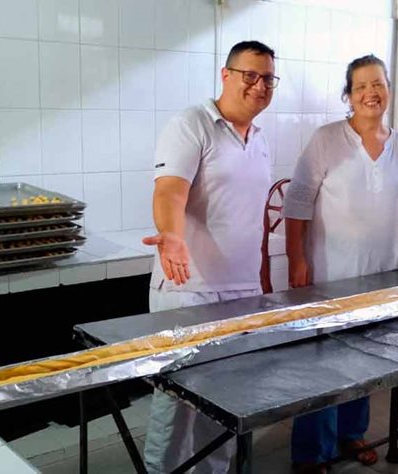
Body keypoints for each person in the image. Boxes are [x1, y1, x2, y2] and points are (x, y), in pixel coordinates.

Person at [282, 53, 398, 474]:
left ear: (389, 89)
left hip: (384, 272)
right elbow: (297, 203)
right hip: (331, 273)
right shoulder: (327, 139)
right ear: (348, 95)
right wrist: (298, 261)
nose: (370, 92)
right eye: (361, 86)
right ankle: (312, 451)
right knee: (322, 362)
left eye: (377, 83)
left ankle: (351, 432)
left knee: (368, 356)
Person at [140, 40, 278, 474]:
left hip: (241, 292)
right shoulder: (192, 124)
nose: (259, 86)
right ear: (226, 75)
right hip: (189, 292)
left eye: (268, 79)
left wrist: (261, 280)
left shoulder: (260, 140)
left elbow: (250, 217)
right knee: (176, 405)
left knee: (226, 402)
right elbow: (169, 191)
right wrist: (172, 236)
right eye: (249, 75)